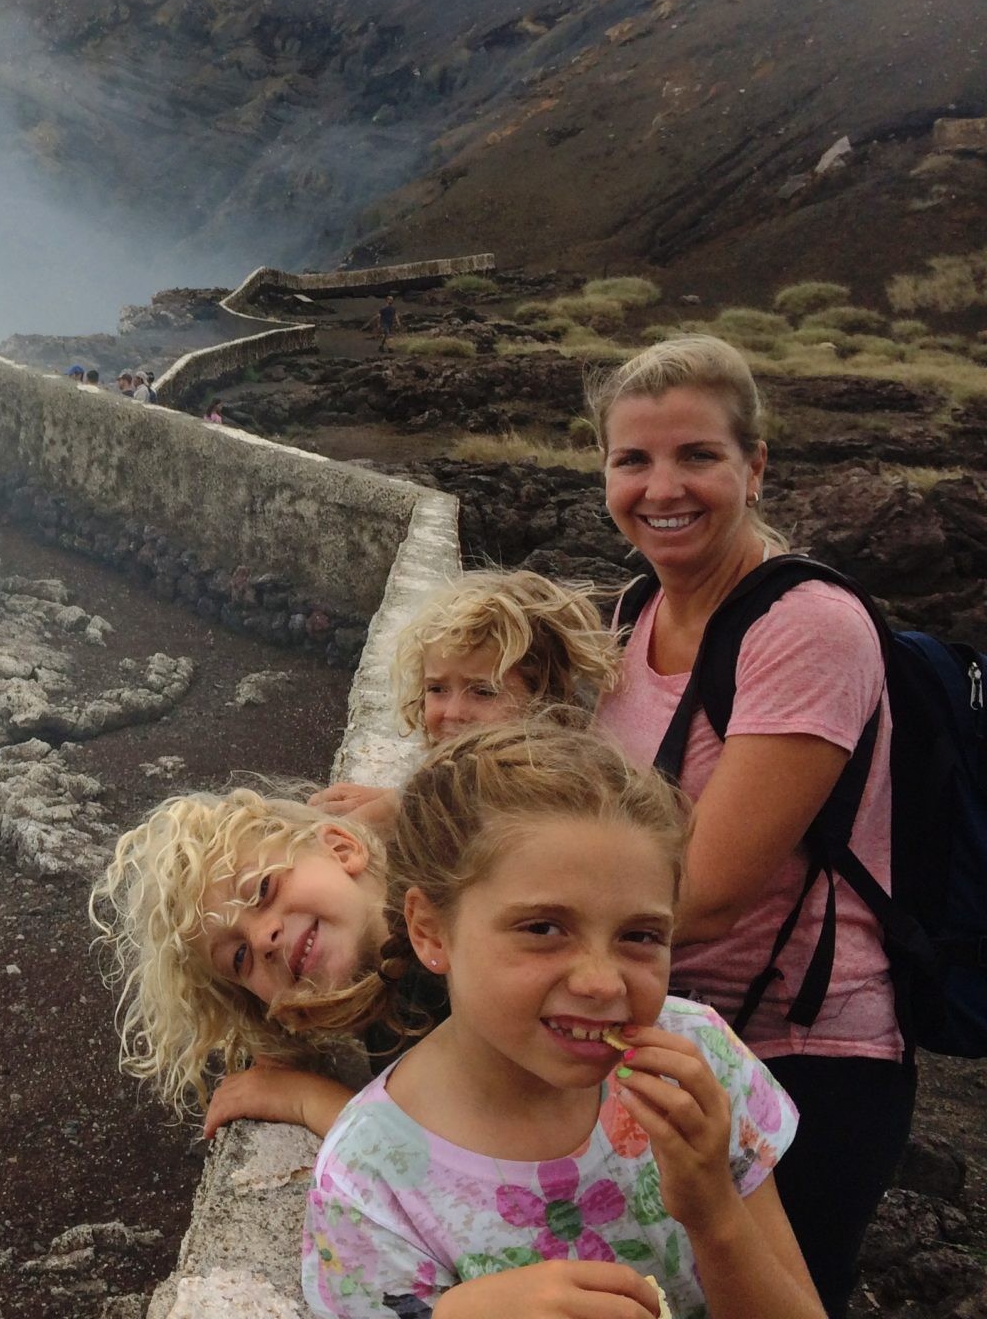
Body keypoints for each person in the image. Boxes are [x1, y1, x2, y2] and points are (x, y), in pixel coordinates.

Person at [588, 334, 909, 1317]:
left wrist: (495, 951)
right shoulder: (632, 609)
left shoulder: (804, 624)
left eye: (696, 456)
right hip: (667, 1034)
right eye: (630, 459)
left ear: (753, 466)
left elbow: (711, 892)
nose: (660, 487)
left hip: (802, 1058)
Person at [301, 720, 820, 1319]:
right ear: (429, 929)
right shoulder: (370, 1187)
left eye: (640, 935)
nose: (602, 982)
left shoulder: (698, 1059)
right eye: (543, 928)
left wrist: (715, 1214)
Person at [91, 788, 411, 1140]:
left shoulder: (456, 955)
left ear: (341, 849)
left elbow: (431, 1168)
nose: (261, 940)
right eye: (239, 957)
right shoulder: (404, 1006)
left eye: (262, 889)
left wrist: (305, 1099)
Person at [311, 569, 622, 833]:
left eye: (484, 692)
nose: (453, 713)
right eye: (436, 689)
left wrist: (395, 811)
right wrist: (398, 799)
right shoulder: (470, 777)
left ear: (545, 699)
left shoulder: (545, 803)